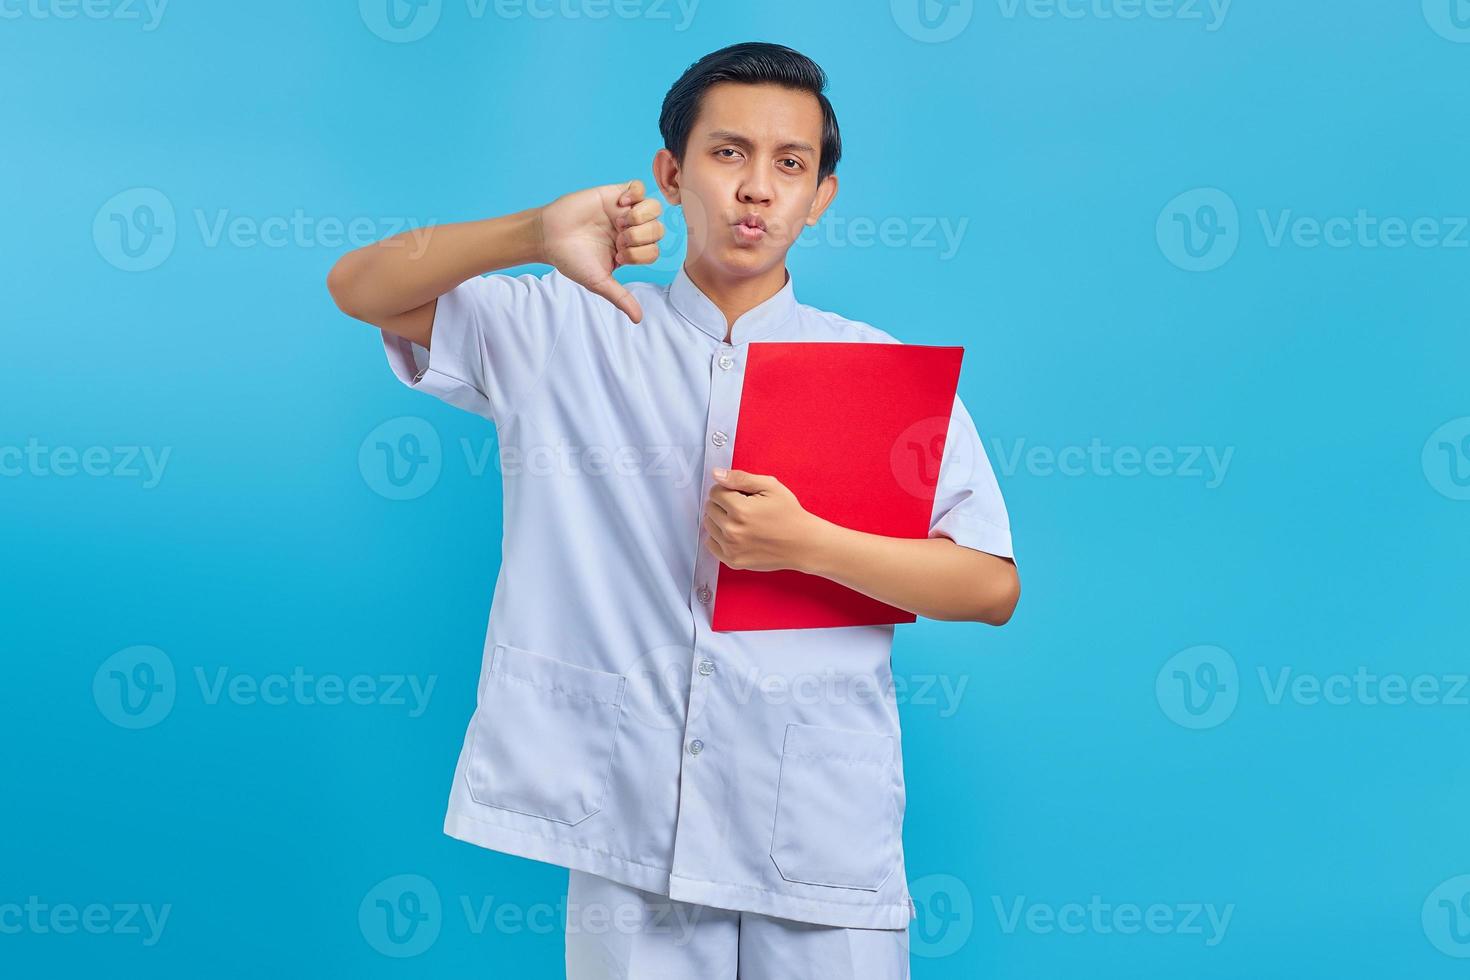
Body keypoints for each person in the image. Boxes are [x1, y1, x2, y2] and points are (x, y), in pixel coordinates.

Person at [327, 40, 1019, 980]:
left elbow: (988, 585)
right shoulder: (569, 327)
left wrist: (810, 544)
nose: (757, 190)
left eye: (791, 165)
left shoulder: (874, 373)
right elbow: (359, 288)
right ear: (672, 172)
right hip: (630, 835)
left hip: (819, 839)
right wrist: (534, 233)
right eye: (728, 153)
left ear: (821, 197)